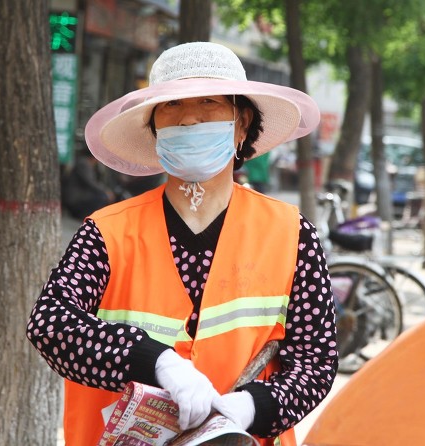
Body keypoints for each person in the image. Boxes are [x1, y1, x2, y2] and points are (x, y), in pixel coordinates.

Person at [26, 42, 337, 446]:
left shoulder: (292, 234)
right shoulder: (106, 232)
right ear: (155, 131)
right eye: (171, 106)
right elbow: (50, 323)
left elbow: (317, 360)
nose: (189, 117)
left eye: (208, 101)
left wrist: (252, 406)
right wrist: (157, 361)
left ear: (241, 123)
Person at [61, 146, 115, 219]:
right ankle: (88, 217)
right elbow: (90, 182)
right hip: (75, 199)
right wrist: (106, 191)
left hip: (78, 197)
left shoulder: (85, 163)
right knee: (102, 197)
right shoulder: (83, 164)